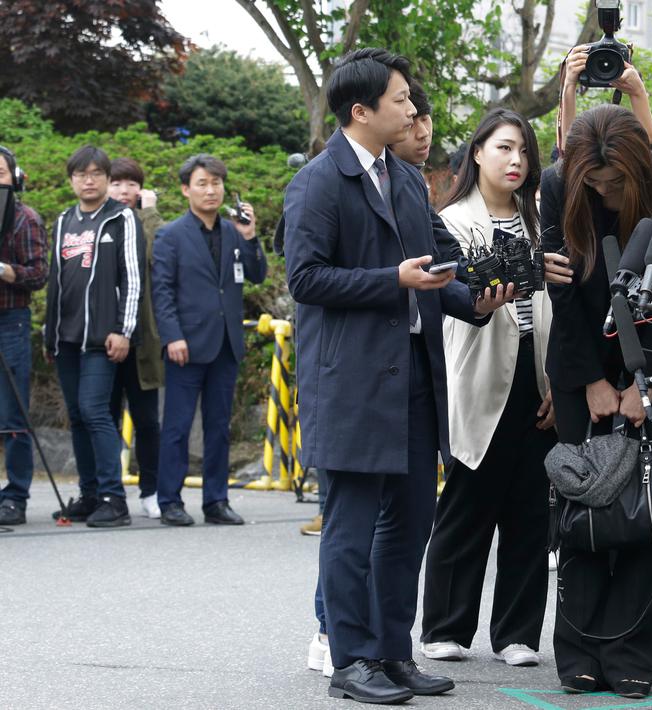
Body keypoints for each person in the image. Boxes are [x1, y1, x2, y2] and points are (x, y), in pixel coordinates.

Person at [283, 47, 511, 704]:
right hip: (352, 382)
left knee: (410, 525)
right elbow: (305, 278)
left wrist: (476, 299)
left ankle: (391, 653)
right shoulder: (319, 183)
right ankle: (350, 662)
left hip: (414, 378)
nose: (413, 111)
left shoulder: (407, 178)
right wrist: (392, 280)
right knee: (351, 528)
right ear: (361, 111)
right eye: (402, 100)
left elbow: (441, 264)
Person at [541, 103, 652, 699]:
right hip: (582, 360)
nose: (604, 192)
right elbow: (561, 293)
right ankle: (577, 650)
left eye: (615, 183)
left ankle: (631, 652)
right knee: (582, 505)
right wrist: (588, 380)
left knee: (646, 509)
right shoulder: (558, 184)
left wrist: (640, 381)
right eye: (595, 183)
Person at [419, 108, 571, 668]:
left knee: (531, 514)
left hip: (536, 380)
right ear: (477, 152)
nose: (515, 160)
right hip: (478, 381)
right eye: (504, 148)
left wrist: (558, 380)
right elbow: (452, 301)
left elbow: (555, 309)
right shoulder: (453, 221)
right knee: (466, 507)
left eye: (524, 151)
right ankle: (445, 626)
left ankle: (518, 634)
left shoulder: (539, 223)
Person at [151, 155, 266, 527]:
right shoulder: (170, 234)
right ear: (186, 189)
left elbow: (257, 274)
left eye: (216, 183)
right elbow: (162, 291)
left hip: (226, 344)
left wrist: (251, 237)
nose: (210, 190)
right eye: (202, 183)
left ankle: (216, 501)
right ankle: (169, 500)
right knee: (177, 427)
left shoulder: (233, 231)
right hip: (185, 345)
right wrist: (172, 337)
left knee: (219, 427)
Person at [44, 145, 142, 528]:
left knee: (95, 411)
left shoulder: (122, 219)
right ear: (71, 180)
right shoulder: (64, 220)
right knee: (77, 416)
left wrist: (123, 329)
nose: (89, 180)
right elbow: (56, 280)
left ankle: (113, 498)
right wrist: (48, 333)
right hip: (65, 338)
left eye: (96, 174)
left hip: (104, 338)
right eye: (81, 174)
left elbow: (132, 279)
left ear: (106, 178)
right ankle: (88, 495)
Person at [106, 157, 164, 519]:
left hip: (144, 337)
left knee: (146, 420)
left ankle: (151, 489)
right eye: (117, 183)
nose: (125, 191)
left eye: (132, 184)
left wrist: (151, 214)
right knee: (105, 417)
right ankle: (104, 490)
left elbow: (157, 256)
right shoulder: (101, 222)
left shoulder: (149, 222)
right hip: (104, 336)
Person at [0, 146, 49, 526]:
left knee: (12, 412)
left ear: (15, 177)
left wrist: (5, 270)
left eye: (0, 172)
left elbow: (39, 275)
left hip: (10, 321)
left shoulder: (24, 218)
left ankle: (15, 495)